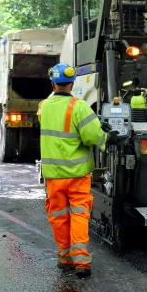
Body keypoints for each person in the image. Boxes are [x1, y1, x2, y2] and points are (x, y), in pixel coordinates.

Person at [38, 63, 119, 277]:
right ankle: (81, 261)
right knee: (79, 215)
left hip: (53, 176)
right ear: (72, 84)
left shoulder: (43, 106)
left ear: (53, 83)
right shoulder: (79, 106)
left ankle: (65, 258)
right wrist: (108, 137)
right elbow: (92, 135)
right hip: (77, 175)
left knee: (58, 216)